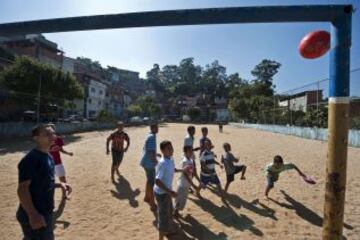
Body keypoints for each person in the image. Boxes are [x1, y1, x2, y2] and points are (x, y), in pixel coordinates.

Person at [16, 124, 71, 240]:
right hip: (35, 213)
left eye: (53, 133)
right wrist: (33, 215)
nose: (52, 136)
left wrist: (60, 184)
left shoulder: (49, 156)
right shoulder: (30, 160)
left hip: (46, 210)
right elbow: (22, 189)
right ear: (36, 138)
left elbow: (44, 183)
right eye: (47, 134)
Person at [154, 140, 180, 240]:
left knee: (169, 211)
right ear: (163, 151)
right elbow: (157, 180)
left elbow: (173, 169)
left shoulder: (170, 159)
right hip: (162, 193)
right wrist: (170, 192)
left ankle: (168, 231)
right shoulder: (163, 163)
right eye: (168, 148)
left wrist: (182, 170)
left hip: (167, 192)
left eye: (171, 147)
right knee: (163, 216)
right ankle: (161, 237)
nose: (171, 150)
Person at [173, 146, 200, 218]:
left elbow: (191, 172)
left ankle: (176, 212)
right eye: (189, 151)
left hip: (186, 185)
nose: (191, 152)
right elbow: (185, 174)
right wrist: (193, 185)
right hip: (183, 184)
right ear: (185, 152)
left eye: (192, 151)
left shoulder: (190, 160)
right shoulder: (185, 161)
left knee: (182, 200)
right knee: (179, 200)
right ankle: (175, 213)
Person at [48, 124, 73, 199]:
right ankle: (49, 197)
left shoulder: (58, 139)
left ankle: (64, 195)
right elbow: (42, 151)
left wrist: (68, 153)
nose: (50, 132)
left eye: (51, 130)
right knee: (48, 181)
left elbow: (61, 149)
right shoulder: (45, 140)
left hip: (58, 162)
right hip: (48, 163)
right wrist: (50, 150)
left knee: (62, 179)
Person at [140, 123, 160, 212]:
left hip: (145, 162)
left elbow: (148, 149)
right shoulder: (152, 137)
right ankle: (152, 204)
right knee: (152, 184)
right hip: (149, 163)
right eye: (156, 128)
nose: (158, 129)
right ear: (152, 128)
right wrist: (155, 160)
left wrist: (156, 154)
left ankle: (146, 197)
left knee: (149, 180)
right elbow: (150, 151)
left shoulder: (150, 135)